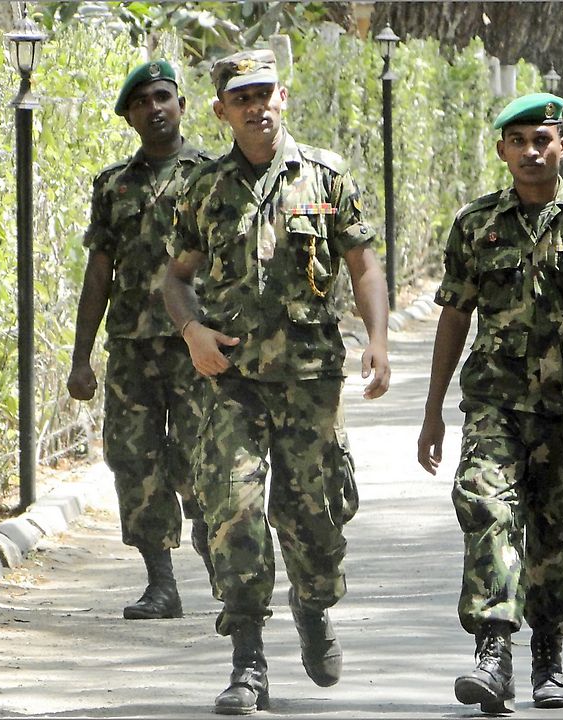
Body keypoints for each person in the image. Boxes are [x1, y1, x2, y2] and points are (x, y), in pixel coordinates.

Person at [163, 49, 390, 715]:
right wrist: (192, 332)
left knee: (311, 512)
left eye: (265, 93)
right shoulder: (204, 188)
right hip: (231, 378)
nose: (256, 106)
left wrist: (376, 340)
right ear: (221, 110)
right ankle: (247, 661)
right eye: (242, 97)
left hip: (310, 379)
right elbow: (176, 277)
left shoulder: (325, 176)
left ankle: (315, 611)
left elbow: (363, 264)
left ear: (282, 97)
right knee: (231, 510)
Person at [417, 92, 563, 713]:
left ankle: (548, 653)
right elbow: (453, 315)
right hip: (494, 401)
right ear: (502, 151)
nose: (530, 151)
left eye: (542, 139)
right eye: (517, 141)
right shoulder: (475, 225)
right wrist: (433, 408)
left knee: (560, 527)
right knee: (487, 508)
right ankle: (493, 651)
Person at [67, 60, 216, 621]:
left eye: (163, 97)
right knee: (135, 460)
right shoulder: (113, 186)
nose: (154, 108)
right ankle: (160, 583)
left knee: (201, 454)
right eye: (142, 102)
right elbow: (99, 271)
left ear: (181, 104)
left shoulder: (213, 174)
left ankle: (213, 540)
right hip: (132, 347)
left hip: (199, 344)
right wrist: (81, 358)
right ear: (129, 117)